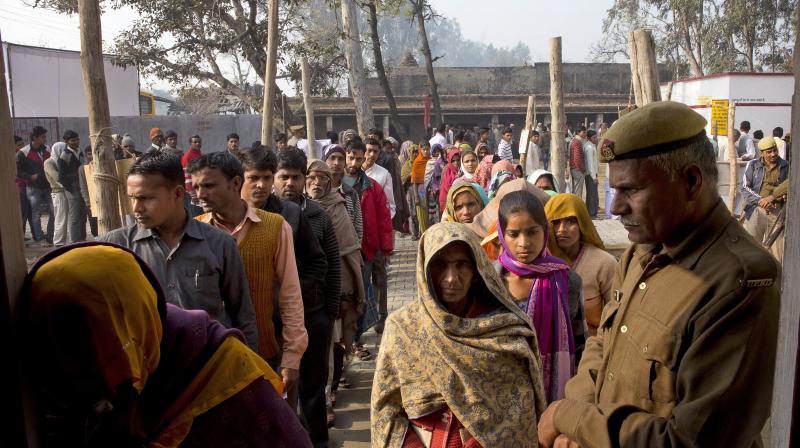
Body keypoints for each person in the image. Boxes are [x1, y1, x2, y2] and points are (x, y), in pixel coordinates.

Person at [537, 101, 780, 448]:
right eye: (615, 190)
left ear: (691, 181)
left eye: (631, 190)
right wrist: (577, 424)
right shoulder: (642, 252)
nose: (616, 207)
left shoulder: (740, 281)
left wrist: (571, 418)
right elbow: (603, 344)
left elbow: (689, 440)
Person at [20, 243, 311, 447]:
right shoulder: (47, 383)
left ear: (144, 311)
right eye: (78, 347)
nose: (109, 371)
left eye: (119, 347)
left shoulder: (223, 370)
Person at [371, 221, 547, 447]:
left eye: (461, 264)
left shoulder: (504, 329)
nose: (451, 277)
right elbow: (386, 410)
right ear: (425, 268)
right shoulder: (403, 328)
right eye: (440, 265)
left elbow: (519, 412)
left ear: (476, 269)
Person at [99, 150, 259, 350]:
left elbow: (243, 316)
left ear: (177, 194)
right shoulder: (116, 246)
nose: (136, 208)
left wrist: (248, 368)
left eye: (145, 198)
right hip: (149, 371)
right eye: (132, 198)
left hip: (209, 368)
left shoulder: (220, 244)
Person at [189, 152, 308, 395]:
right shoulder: (195, 231)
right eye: (196, 187)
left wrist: (292, 356)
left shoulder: (275, 226)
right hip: (213, 361)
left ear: (234, 183)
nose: (201, 194)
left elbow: (290, 294)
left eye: (209, 185)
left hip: (266, 354)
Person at [275, 148, 341, 447]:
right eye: (283, 177)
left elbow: (331, 263)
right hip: (276, 318)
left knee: (313, 387)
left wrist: (329, 312)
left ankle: (318, 441)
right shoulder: (265, 217)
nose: (289, 183)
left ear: (305, 180)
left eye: (295, 177)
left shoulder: (317, 216)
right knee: (283, 386)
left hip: (314, 313)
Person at [495, 190, 586, 403]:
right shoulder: (490, 280)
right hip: (500, 393)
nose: (524, 243)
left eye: (532, 232)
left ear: (545, 231)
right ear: (501, 234)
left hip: (553, 397)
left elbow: (581, 341)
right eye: (514, 234)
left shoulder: (568, 281)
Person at [305, 159, 366, 427]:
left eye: (321, 178)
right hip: (304, 292)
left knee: (333, 344)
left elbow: (349, 249)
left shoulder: (339, 207)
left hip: (335, 288)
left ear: (329, 182)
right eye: (311, 178)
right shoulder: (294, 209)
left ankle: (328, 397)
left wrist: (345, 292)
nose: (316, 183)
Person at [545, 193, 616, 336]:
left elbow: (617, 316)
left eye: (570, 221)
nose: (561, 229)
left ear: (582, 223)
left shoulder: (604, 263)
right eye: (556, 222)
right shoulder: (540, 264)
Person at [344, 141, 393, 340]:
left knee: (376, 282)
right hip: (348, 246)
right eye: (351, 157)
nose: (354, 162)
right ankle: (355, 335)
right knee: (356, 289)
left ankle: (380, 317)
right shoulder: (336, 184)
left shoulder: (372, 186)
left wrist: (386, 246)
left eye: (358, 158)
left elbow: (384, 216)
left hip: (371, 246)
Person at [741, 137, 789, 262]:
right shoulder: (752, 165)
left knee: (777, 252)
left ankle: (776, 279)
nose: (773, 154)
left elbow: (791, 183)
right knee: (751, 246)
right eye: (769, 152)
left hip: (777, 212)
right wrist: (761, 201)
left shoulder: (786, 166)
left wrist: (773, 197)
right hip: (757, 209)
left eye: (774, 150)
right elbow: (745, 188)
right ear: (761, 153)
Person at [17, 125, 53, 245]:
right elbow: (17, 170)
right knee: (36, 213)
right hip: (33, 187)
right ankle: (39, 238)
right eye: (42, 137)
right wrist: (29, 177)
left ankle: (50, 236)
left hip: (47, 186)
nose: (45, 139)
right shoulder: (23, 152)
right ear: (34, 138)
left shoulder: (47, 149)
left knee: (53, 211)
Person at [324, 144, 363, 242]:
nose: (336, 163)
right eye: (332, 158)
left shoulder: (350, 193)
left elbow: (358, 225)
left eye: (341, 159)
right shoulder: (317, 191)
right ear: (324, 161)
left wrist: (355, 248)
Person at [56, 130, 88, 243]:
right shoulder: (64, 156)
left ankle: (82, 239)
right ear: (66, 141)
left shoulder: (79, 152)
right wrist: (70, 189)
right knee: (75, 218)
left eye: (77, 139)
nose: (76, 142)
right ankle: (75, 241)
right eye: (73, 140)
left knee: (83, 216)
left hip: (81, 188)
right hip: (72, 190)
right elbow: (61, 177)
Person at [376, 136, 408, 233]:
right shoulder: (383, 161)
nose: (391, 150)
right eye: (388, 148)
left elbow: (397, 177)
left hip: (395, 190)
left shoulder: (394, 158)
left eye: (393, 148)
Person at [363, 138, 397, 219]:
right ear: (363, 151)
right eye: (369, 150)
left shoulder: (384, 175)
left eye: (375, 152)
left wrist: (383, 223)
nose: (372, 154)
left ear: (379, 154)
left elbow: (390, 205)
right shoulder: (353, 171)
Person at [43, 144, 67, 246]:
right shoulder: (49, 162)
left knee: (70, 219)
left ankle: (67, 242)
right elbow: (56, 177)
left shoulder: (63, 160)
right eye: (62, 150)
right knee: (60, 219)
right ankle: (58, 243)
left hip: (67, 191)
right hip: (58, 193)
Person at [14, 135, 35, 239]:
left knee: (30, 212)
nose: (22, 147)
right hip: (19, 188)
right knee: (23, 212)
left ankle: (33, 234)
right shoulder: (11, 158)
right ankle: (20, 235)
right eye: (19, 145)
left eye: (23, 144)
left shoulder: (23, 156)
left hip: (27, 186)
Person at [438, 147, 462, 212]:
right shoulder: (447, 169)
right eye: (453, 161)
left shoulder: (461, 170)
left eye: (458, 160)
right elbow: (446, 186)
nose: (456, 163)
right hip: (447, 199)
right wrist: (456, 178)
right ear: (450, 161)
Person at [182, 135, 203, 201]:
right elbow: (187, 178)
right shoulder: (187, 157)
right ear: (190, 143)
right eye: (195, 142)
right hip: (194, 194)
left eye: (199, 142)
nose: (197, 144)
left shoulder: (202, 155)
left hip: (202, 190)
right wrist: (192, 194)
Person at [584, 129, 600, 217]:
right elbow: (590, 164)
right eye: (594, 137)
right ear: (589, 138)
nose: (596, 139)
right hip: (590, 174)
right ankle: (592, 213)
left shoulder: (592, 146)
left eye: (596, 137)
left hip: (592, 174)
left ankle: (590, 212)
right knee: (592, 194)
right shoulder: (589, 147)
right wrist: (594, 177)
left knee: (592, 193)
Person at [568, 125, 587, 197]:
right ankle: (576, 207)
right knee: (578, 192)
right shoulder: (577, 142)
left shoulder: (574, 140)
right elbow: (577, 158)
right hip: (577, 169)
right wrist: (581, 169)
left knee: (575, 190)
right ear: (578, 132)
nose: (585, 134)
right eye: (584, 132)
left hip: (574, 168)